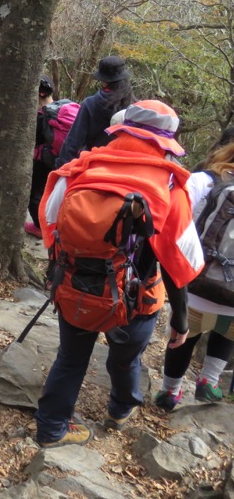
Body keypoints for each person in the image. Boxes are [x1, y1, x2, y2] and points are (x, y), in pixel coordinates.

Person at [34, 99, 204, 448]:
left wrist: (63, 268)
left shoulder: (82, 169)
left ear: (122, 129)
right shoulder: (171, 188)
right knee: (126, 361)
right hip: (135, 298)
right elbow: (177, 263)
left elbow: (50, 223)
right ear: (166, 142)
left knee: (70, 359)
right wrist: (181, 320)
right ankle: (120, 409)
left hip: (75, 286)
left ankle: (51, 429)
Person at [155, 141, 234, 410]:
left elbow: (171, 211)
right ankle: (208, 382)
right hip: (232, 295)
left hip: (195, 282)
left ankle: (170, 392)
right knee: (227, 333)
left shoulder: (206, 179)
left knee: (184, 336)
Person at [55, 56, 136, 168]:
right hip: (124, 164)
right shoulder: (134, 105)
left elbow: (74, 140)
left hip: (94, 163)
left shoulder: (91, 103)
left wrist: (62, 166)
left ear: (103, 80)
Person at [25, 75, 56, 239]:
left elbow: (34, 140)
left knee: (33, 196)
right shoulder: (61, 109)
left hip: (43, 161)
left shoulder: (42, 116)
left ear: (41, 93)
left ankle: (40, 228)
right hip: (59, 160)